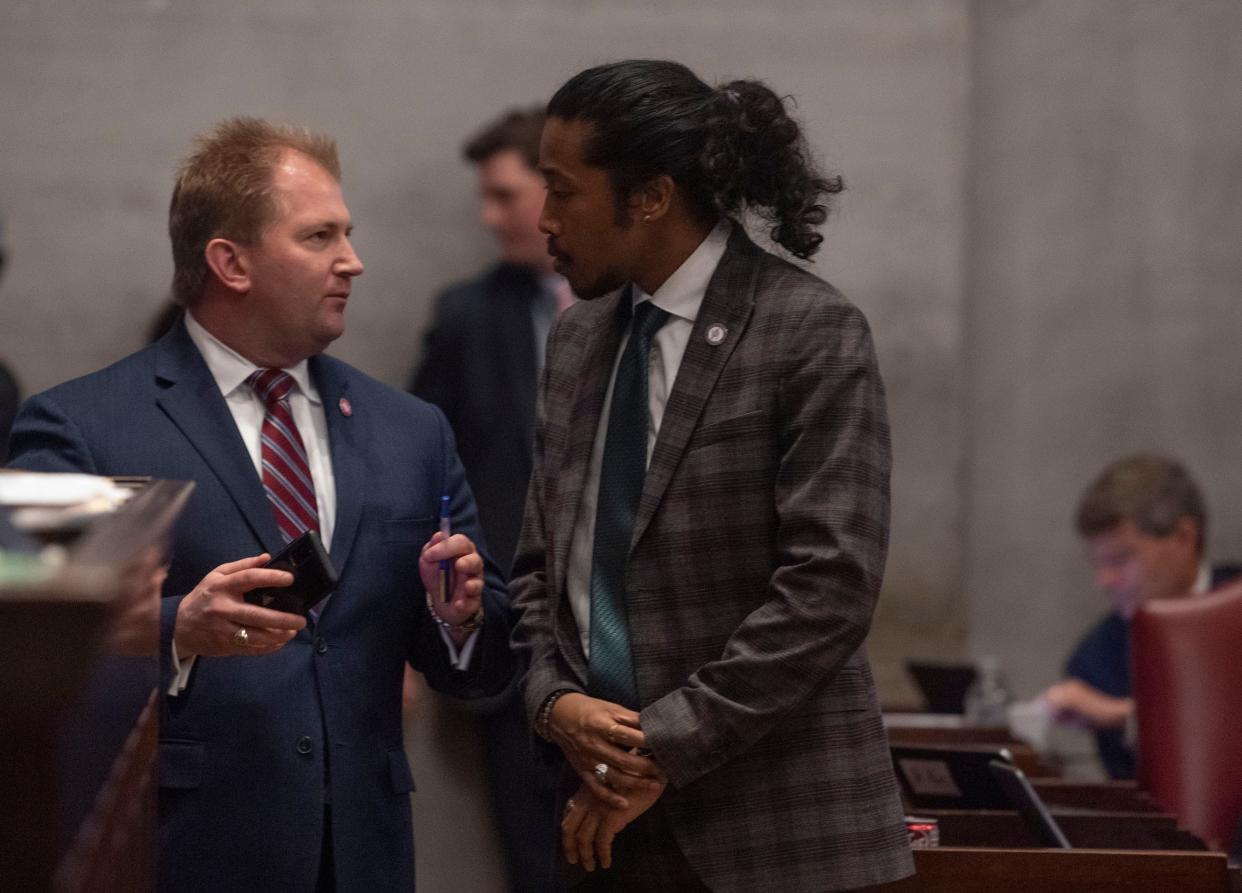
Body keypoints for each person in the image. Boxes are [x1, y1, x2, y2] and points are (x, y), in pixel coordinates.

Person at [8, 117, 514, 892]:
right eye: (319, 237)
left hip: (363, 854)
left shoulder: (411, 430)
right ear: (230, 262)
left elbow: (479, 666)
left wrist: (462, 616)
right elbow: (37, 658)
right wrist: (180, 629)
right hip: (186, 849)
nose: (354, 261)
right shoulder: (82, 424)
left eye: (348, 234)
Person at [509, 60, 913, 892]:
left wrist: (658, 743)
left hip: (775, 838)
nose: (544, 218)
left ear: (650, 196)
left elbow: (829, 587)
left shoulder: (811, 331)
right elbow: (540, 573)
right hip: (600, 827)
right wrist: (553, 702)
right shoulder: (580, 340)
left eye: (562, 190)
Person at [409, 106, 563, 893]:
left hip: (646, 647)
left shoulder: (651, 312)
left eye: (506, 195)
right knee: (532, 859)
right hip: (517, 632)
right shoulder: (469, 313)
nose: (489, 216)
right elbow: (424, 470)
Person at [1043, 454, 1240, 779]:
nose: (1104, 581)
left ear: (1184, 537)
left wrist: (1126, 715)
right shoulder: (1094, 660)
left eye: (1121, 559)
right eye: (1097, 564)